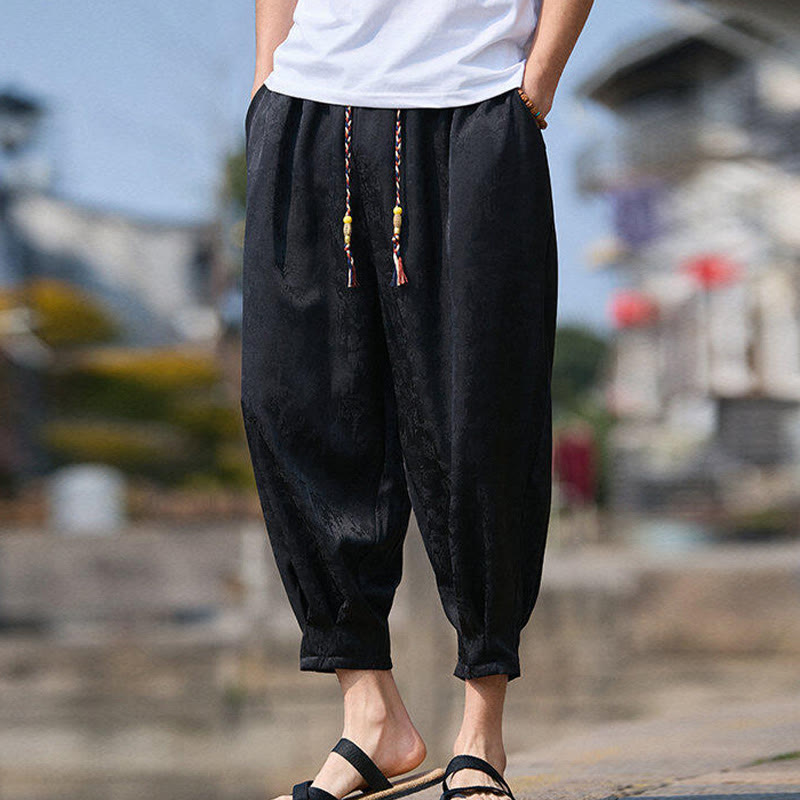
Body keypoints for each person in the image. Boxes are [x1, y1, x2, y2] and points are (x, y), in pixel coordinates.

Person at [240, 1, 594, 799]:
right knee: (290, 403)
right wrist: (265, 81)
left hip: (474, 100)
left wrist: (536, 84)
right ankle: (371, 714)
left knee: (479, 415)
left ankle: (482, 732)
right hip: (306, 106)